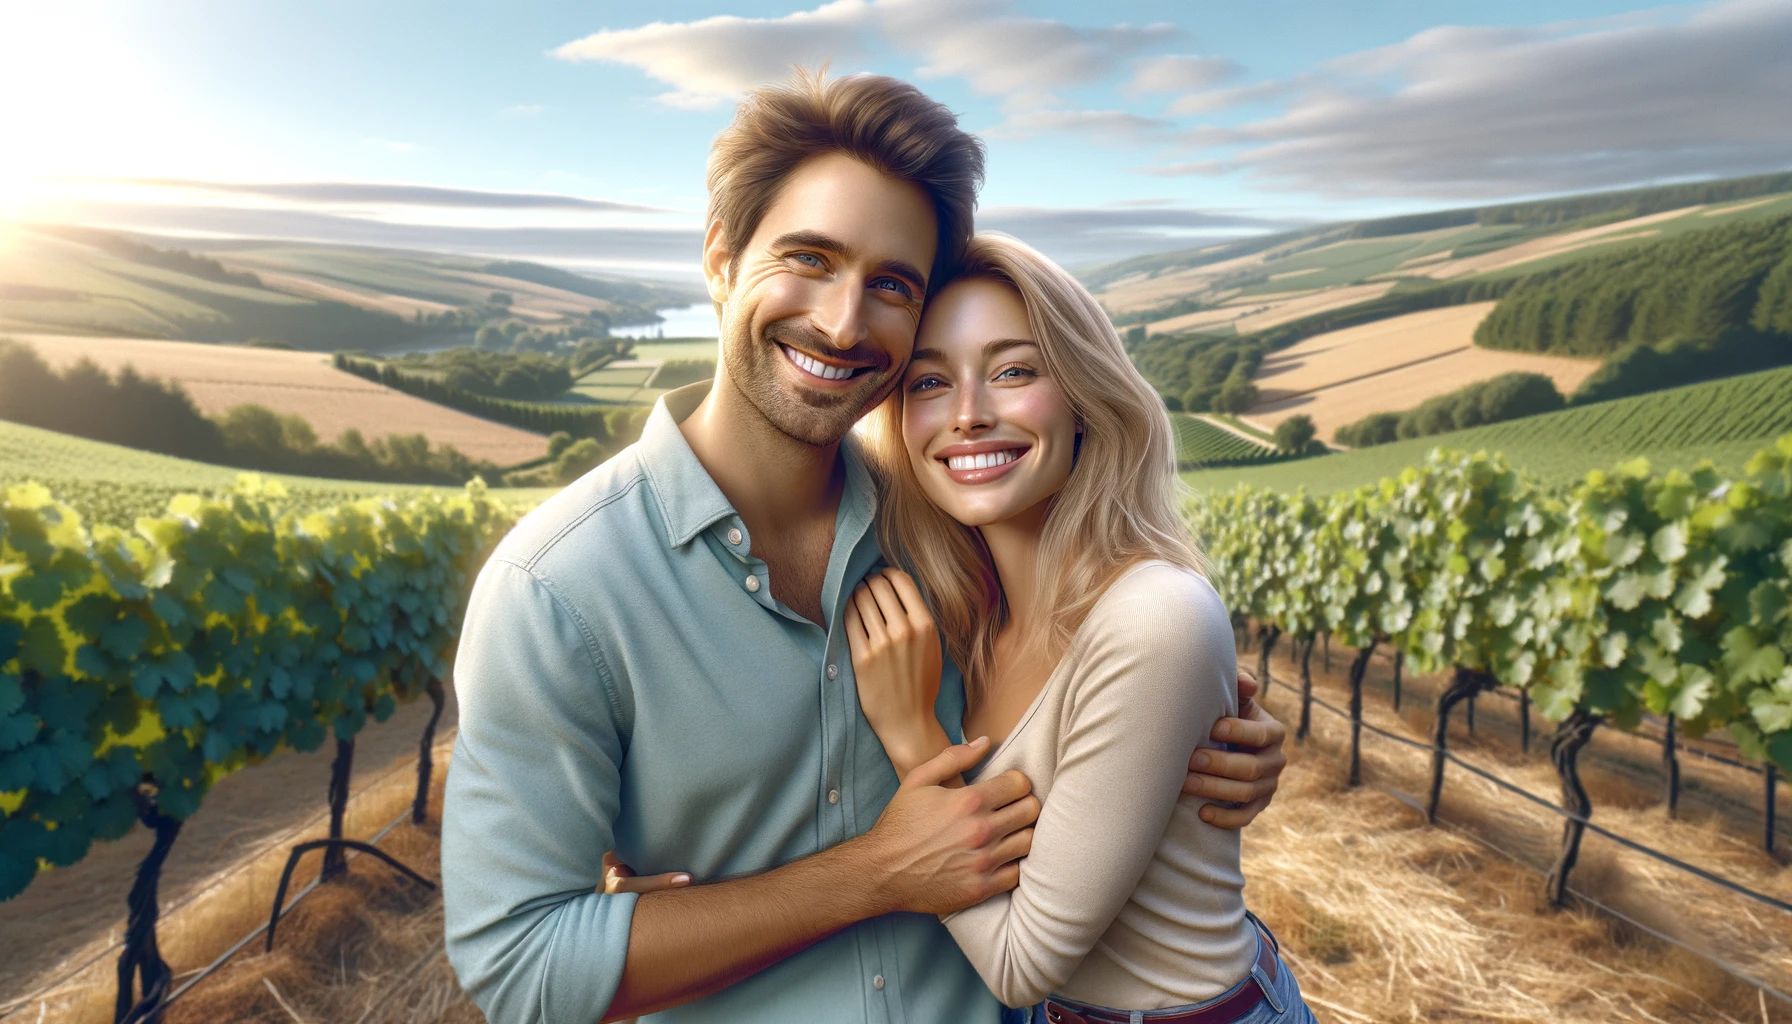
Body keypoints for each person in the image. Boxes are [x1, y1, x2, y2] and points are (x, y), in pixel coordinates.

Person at [440, 70, 1288, 1024]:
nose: (844, 323)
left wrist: (1213, 751)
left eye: (891, 285)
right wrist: (875, 873)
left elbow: (1103, 688)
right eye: (808, 257)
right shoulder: (557, 591)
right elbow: (521, 965)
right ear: (720, 257)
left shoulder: (949, 531)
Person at [843, 233, 1315, 1024]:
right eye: (930, 381)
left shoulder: (1152, 618)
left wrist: (912, 738)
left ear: (1084, 398)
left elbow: (1020, 965)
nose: (968, 414)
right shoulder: (964, 616)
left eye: (1013, 371)